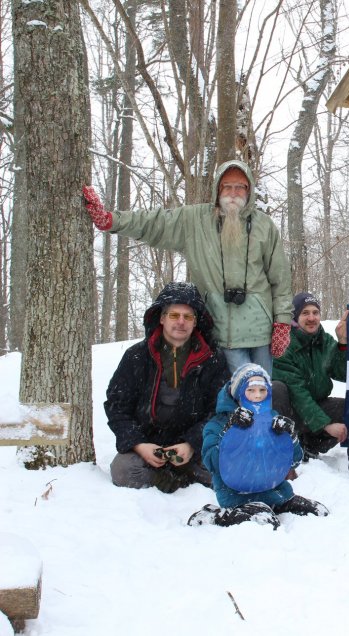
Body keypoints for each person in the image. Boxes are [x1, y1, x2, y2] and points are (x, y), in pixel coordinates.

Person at [83, 160, 293, 374]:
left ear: (249, 190)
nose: (233, 192)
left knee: (262, 393)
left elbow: (280, 279)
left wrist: (283, 323)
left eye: (240, 186)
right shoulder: (195, 220)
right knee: (240, 395)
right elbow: (153, 222)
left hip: (261, 329)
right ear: (217, 189)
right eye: (227, 186)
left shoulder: (264, 225)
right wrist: (111, 220)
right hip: (221, 330)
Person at [105, 282, 228, 493]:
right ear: (161, 318)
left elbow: (219, 411)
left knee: (228, 468)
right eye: (174, 315)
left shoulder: (212, 359)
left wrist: (191, 444)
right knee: (123, 471)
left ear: (196, 322)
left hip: (193, 447)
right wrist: (139, 445)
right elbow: (117, 407)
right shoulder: (136, 356)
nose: (181, 322)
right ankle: (165, 477)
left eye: (188, 317)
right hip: (148, 446)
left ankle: (185, 473)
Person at [190, 364, 328, 529]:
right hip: (236, 494)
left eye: (262, 390)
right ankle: (216, 516)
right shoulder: (217, 424)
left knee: (318, 512)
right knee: (267, 522)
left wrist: (290, 437)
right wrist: (229, 433)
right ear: (238, 393)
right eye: (251, 390)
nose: (257, 396)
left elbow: (293, 461)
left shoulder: (272, 419)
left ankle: (274, 504)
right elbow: (211, 462)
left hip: (274, 490)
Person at [272, 292, 349, 457]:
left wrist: (342, 344)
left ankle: (311, 445)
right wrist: (326, 425)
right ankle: (285, 443)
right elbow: (297, 393)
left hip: (316, 406)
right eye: (305, 313)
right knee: (276, 389)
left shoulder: (325, 340)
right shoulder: (285, 344)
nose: (311, 318)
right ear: (295, 317)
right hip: (292, 411)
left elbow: (342, 373)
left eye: (315, 312)